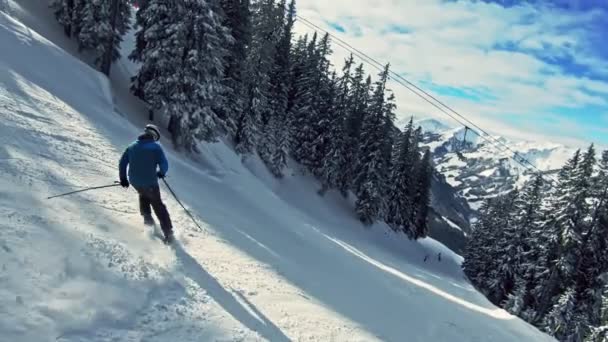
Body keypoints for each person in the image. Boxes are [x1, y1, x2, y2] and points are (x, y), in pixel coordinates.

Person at [119, 124, 174, 244]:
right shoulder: (155, 147)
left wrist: (123, 178)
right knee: (158, 205)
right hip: (150, 182)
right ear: (154, 135)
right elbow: (164, 163)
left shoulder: (132, 146)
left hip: (135, 181)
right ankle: (168, 233)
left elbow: (122, 162)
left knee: (143, 197)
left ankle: (149, 224)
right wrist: (161, 173)